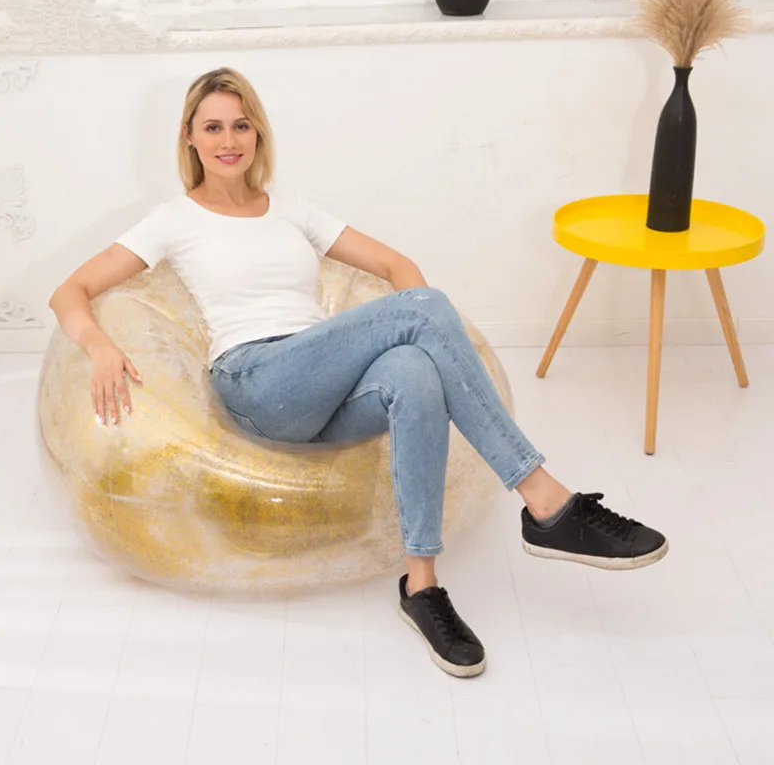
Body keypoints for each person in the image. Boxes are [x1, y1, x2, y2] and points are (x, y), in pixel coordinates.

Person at [49, 67, 668, 679]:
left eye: (241, 125)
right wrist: (99, 346)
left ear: (259, 133)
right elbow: (69, 291)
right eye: (212, 127)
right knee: (422, 309)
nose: (228, 140)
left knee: (415, 372)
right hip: (258, 380)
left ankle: (422, 586)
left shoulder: (290, 209)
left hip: (326, 383)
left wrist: (429, 342)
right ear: (189, 137)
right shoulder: (173, 219)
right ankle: (547, 502)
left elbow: (397, 265)